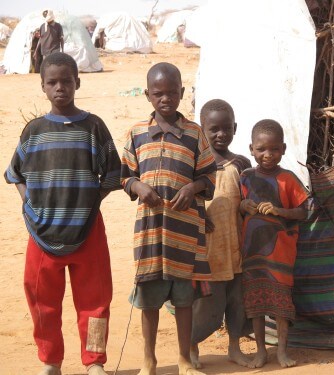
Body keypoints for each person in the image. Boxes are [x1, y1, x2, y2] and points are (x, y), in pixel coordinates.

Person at [4, 52, 121, 375]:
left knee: (95, 302)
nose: (60, 88)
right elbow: (15, 174)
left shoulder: (93, 127)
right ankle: (51, 361)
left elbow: (112, 174)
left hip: (88, 233)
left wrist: (88, 203)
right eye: (52, 82)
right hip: (42, 236)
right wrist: (31, 206)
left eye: (66, 81)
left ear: (77, 83)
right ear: (42, 86)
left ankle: (94, 361)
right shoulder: (34, 131)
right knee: (43, 303)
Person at [120, 62, 217, 375]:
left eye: (172, 92)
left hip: (184, 232)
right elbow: (124, 175)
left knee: (184, 299)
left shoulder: (194, 134)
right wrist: (137, 185)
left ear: (182, 93)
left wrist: (193, 187)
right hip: (149, 233)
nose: (166, 99)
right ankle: (149, 360)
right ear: (148, 94)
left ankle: (185, 360)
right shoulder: (136, 134)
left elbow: (208, 175)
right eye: (158, 93)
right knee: (148, 297)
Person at [239, 119, 309, 368]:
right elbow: (237, 208)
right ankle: (260, 351)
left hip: (280, 255)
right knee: (255, 306)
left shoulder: (288, 179)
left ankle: (281, 351)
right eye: (261, 149)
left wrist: (279, 211)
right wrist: (242, 205)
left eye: (274, 149)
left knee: (281, 307)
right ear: (251, 149)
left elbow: (303, 212)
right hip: (252, 256)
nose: (268, 155)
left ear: (284, 149)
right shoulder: (245, 178)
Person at [189, 99, 253, 369]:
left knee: (238, 301)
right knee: (206, 304)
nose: (220, 134)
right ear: (202, 130)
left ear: (235, 128)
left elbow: (249, 198)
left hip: (236, 244)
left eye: (226, 128)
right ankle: (191, 347)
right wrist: (201, 216)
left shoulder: (241, 163)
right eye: (213, 129)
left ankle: (235, 347)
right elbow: (189, 199)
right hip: (207, 249)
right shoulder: (196, 165)